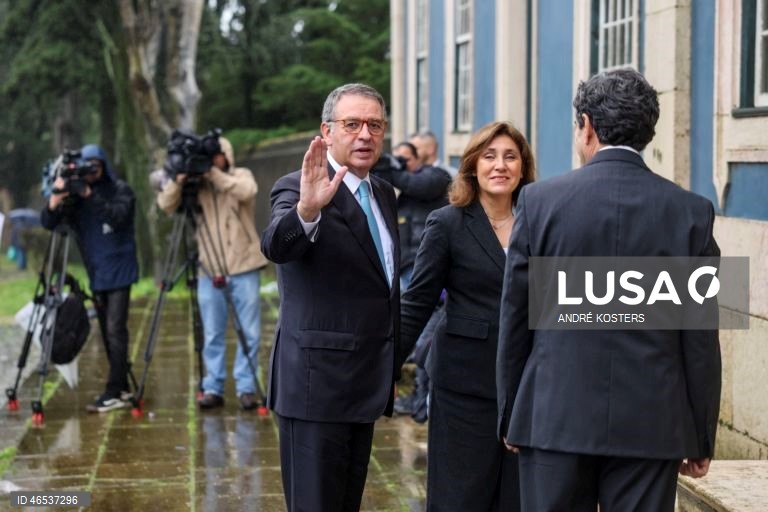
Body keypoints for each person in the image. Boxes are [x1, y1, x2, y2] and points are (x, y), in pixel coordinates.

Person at [496, 69, 722, 511]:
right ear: (647, 131)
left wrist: (511, 413)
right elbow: (699, 339)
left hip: (553, 414)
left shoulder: (539, 202)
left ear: (587, 127)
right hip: (652, 422)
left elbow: (516, 317)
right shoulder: (692, 212)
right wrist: (701, 432)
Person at [261, 83, 400, 512]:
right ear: (327, 131)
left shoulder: (382, 192)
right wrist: (307, 211)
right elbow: (276, 246)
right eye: (352, 124)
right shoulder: (297, 187)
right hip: (316, 387)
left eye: (374, 125)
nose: (365, 135)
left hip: (365, 383)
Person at [400, 121, 535, 511]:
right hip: (463, 386)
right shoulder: (448, 222)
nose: (500, 165)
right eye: (489, 156)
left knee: (517, 499)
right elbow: (417, 302)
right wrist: (382, 369)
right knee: (461, 498)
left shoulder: (539, 224)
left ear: (523, 168)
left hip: (525, 389)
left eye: (510, 157)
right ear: (473, 165)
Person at [157, 136, 268, 410]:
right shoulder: (197, 186)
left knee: (250, 332)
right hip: (209, 268)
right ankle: (213, 387)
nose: (212, 161)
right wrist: (179, 181)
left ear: (226, 155)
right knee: (212, 333)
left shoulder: (240, 175)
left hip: (244, 266)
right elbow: (166, 205)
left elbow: (248, 191)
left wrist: (214, 174)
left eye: (217, 155)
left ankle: (246, 387)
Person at [41, 144, 139, 412]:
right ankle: (121, 385)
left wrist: (89, 194)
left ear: (104, 165)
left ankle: (115, 389)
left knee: (115, 330)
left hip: (120, 269)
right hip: (97, 272)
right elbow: (49, 223)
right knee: (108, 331)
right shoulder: (76, 199)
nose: (92, 171)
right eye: (88, 167)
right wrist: (56, 198)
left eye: (96, 166)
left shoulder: (120, 190)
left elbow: (118, 217)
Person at [373, 141, 451, 422]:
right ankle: (416, 396)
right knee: (411, 334)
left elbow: (420, 184)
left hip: (427, 275)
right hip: (405, 270)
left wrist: (391, 168)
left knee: (425, 340)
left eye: (406, 158)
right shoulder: (401, 196)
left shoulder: (435, 177)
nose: (399, 163)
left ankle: (421, 399)